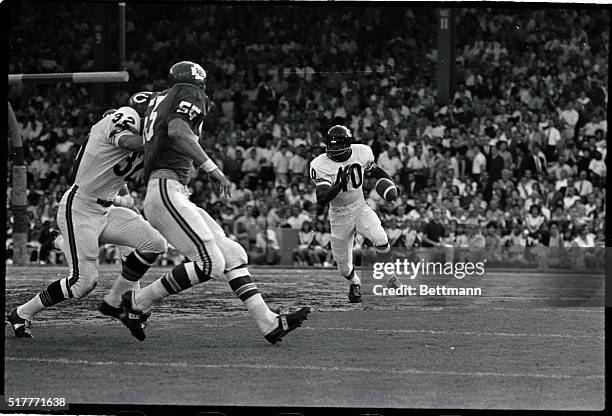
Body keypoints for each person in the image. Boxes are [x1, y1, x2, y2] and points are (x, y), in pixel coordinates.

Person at [124, 61, 309, 343]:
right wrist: (211, 167)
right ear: (199, 82)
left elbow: (158, 126)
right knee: (210, 262)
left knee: (233, 256)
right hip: (165, 189)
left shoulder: (158, 98)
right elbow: (177, 130)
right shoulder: (189, 91)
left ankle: (269, 323)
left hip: (169, 190)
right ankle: (137, 303)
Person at [8, 93, 168, 338]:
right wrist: (160, 140)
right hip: (80, 208)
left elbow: (116, 168)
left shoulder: (145, 134)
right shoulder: (128, 116)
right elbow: (125, 141)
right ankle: (22, 312)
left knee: (153, 243)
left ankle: (126, 301)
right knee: (83, 283)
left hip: (104, 209)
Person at [309, 125, 400, 303]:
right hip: (338, 214)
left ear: (348, 144)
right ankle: (355, 283)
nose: (333, 149)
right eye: (331, 145)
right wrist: (339, 184)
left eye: (337, 145)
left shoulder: (362, 152)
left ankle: (391, 278)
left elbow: (375, 170)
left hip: (359, 206)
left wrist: (391, 183)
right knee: (343, 268)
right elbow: (321, 198)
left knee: (380, 237)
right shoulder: (320, 164)